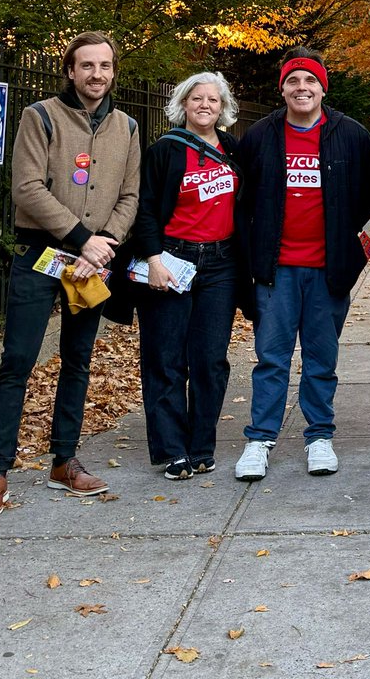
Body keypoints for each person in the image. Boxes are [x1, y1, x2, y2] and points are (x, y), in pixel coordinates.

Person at [0, 32, 141, 518]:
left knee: (78, 360)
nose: (97, 75)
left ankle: (64, 461)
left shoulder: (127, 127)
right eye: (87, 66)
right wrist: (80, 236)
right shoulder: (39, 116)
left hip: (93, 264)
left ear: (113, 72)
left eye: (105, 66)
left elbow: (131, 196)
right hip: (41, 255)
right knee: (17, 362)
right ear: (70, 70)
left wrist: (102, 244)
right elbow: (26, 188)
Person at [234, 48, 370, 481]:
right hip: (275, 270)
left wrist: (345, 225)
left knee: (321, 357)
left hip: (328, 269)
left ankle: (319, 436)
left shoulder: (350, 134)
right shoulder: (261, 135)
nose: (302, 88)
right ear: (282, 89)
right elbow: (243, 195)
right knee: (271, 358)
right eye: (293, 81)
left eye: (310, 81)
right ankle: (259, 440)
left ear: (322, 88)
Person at [130, 72, 246, 480]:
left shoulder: (233, 149)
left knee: (210, 359)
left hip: (222, 264)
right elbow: (144, 208)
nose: (205, 105)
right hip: (171, 260)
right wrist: (153, 259)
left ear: (223, 107)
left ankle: (201, 446)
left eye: (213, 100)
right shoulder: (164, 150)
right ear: (183, 104)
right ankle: (172, 450)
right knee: (165, 358)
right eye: (197, 98)